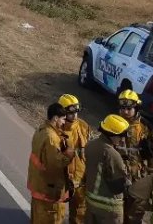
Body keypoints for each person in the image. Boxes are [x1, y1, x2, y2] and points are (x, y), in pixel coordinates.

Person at [28, 103, 74, 224]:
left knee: (37, 217)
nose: (64, 122)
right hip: (49, 190)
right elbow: (56, 164)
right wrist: (68, 155)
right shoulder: (52, 138)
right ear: (55, 118)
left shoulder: (41, 129)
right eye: (63, 119)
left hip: (38, 184)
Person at [117, 90, 153, 219]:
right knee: (117, 209)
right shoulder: (113, 122)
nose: (125, 111)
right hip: (117, 171)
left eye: (129, 108)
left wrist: (152, 175)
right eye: (123, 108)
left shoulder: (145, 126)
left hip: (137, 174)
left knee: (135, 210)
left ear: (136, 108)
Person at [84, 114, 131, 224]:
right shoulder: (112, 153)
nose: (122, 139)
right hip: (109, 208)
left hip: (91, 203)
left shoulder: (90, 145)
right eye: (121, 135)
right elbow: (121, 184)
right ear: (112, 135)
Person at [59, 94, 92, 224]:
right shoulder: (55, 129)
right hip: (62, 178)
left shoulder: (83, 126)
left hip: (80, 178)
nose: (75, 116)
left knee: (80, 212)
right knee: (56, 210)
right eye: (70, 112)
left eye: (76, 112)